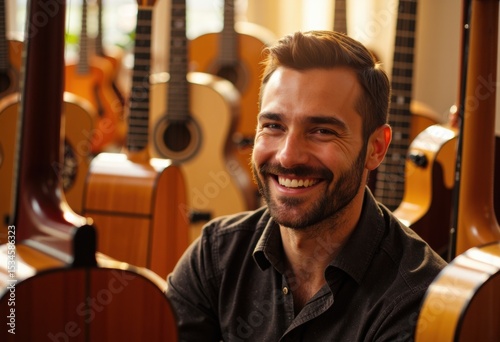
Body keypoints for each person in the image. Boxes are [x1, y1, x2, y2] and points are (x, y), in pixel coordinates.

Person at [166, 30, 447, 341]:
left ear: (376, 148)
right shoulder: (216, 254)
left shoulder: (419, 298)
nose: (288, 156)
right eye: (273, 126)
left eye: (322, 131)